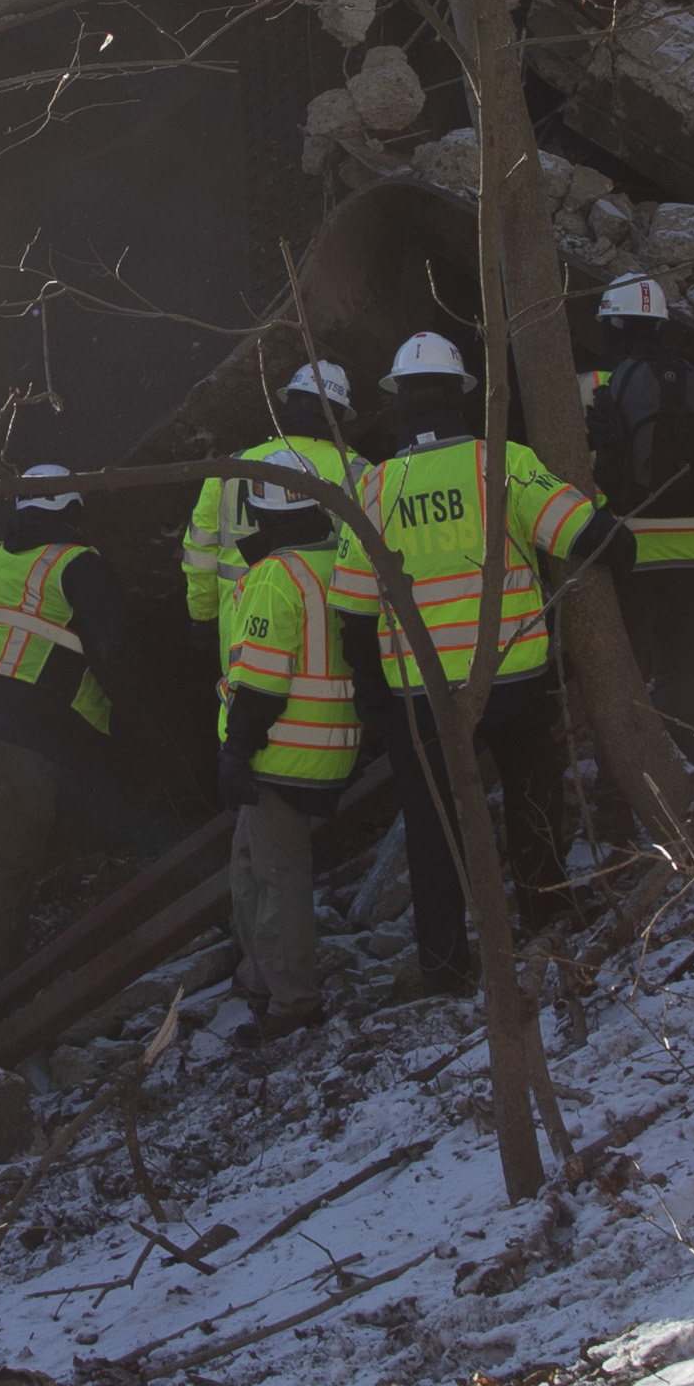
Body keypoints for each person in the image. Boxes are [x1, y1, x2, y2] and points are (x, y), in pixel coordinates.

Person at [360, 330, 613, 995]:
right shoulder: (498, 461)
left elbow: (354, 605)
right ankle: (546, 910)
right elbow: (588, 536)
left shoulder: (373, 489)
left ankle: (444, 966)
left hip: (423, 696)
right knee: (531, 797)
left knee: (434, 828)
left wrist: (378, 702)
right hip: (512, 679)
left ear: (400, 402)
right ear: (464, 395)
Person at [0, 464, 160, 985]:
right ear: (72, 510)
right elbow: (112, 654)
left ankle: (3, 967)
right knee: (0, 866)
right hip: (6, 731)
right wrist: (147, 732)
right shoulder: (79, 565)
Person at [210, 466, 376, 1030]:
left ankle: (291, 1003)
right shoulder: (339, 562)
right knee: (254, 869)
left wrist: (236, 752)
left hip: (279, 751)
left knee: (276, 881)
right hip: (330, 744)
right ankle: (263, 982)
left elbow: (260, 683)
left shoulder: (276, 575)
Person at [582, 272, 694, 758]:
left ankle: (625, 785)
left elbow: (559, 482)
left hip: (623, 556)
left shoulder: (588, 387)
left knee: (625, 678)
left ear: (609, 324)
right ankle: (682, 767)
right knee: (682, 671)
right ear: (660, 326)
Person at [179, 357, 361, 627]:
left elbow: (200, 550)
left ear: (288, 404)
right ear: (338, 416)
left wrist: (203, 616)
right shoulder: (357, 472)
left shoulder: (233, 467)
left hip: (240, 631)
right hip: (323, 633)